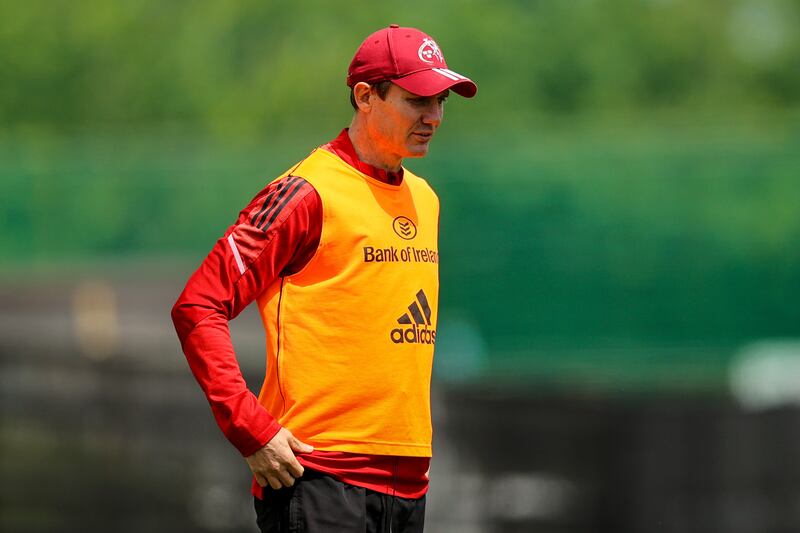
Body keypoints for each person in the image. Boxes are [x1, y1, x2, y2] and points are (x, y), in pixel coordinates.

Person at [171, 24, 476, 533]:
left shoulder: (426, 199)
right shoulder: (306, 193)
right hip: (318, 478)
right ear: (365, 96)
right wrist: (252, 430)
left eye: (441, 100)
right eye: (417, 99)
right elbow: (198, 305)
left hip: (408, 484)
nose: (434, 116)